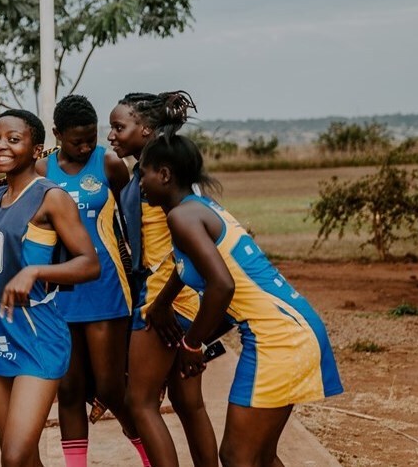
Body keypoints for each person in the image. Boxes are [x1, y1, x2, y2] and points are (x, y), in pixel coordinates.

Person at [138, 131, 343, 467]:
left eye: (143, 173)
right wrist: (162, 303)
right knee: (259, 457)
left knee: (236, 456)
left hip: (276, 338)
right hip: (295, 328)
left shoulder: (181, 218)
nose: (139, 182)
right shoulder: (199, 208)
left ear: (164, 174)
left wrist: (192, 344)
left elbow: (222, 285)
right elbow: (188, 267)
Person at [0, 109, 100, 467]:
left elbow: (89, 263)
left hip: (38, 335)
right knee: (21, 457)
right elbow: (7, 251)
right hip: (0, 334)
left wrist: (35, 271)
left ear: (37, 150)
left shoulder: (51, 197)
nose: (0, 145)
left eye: (13, 139)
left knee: (15, 456)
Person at [109, 92, 217, 467]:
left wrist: (161, 303)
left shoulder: (156, 177)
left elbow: (185, 247)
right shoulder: (162, 171)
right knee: (189, 404)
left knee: (140, 404)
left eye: (119, 127)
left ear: (146, 129)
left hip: (165, 300)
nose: (112, 136)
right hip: (183, 297)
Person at [39, 95, 147, 466]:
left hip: (104, 286)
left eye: (91, 137)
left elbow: (132, 222)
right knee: (68, 389)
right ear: (57, 135)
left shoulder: (110, 164)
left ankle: (151, 455)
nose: (86, 146)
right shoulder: (42, 170)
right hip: (59, 291)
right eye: (76, 141)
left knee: (111, 388)